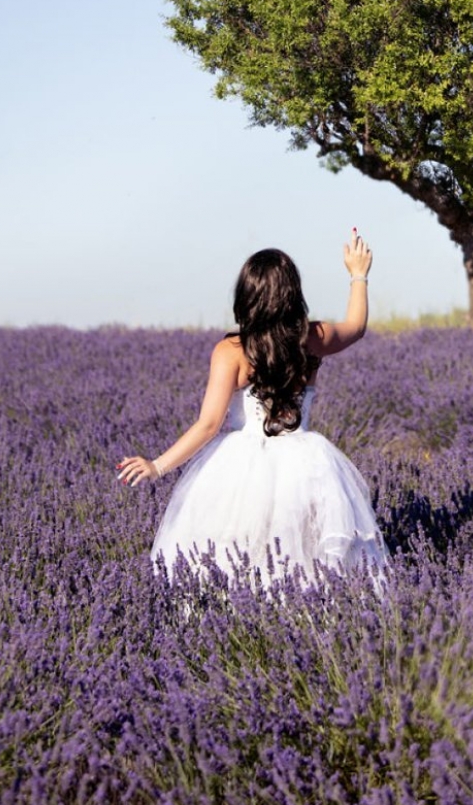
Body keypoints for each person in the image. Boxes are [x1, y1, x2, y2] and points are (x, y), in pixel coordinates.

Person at [117, 230, 388, 590]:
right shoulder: (311, 339)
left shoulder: (231, 351)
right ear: (293, 294)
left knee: (234, 558)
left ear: (246, 295)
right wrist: (358, 274)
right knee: (305, 558)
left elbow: (208, 425)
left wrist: (158, 466)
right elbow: (356, 328)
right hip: (307, 465)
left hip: (239, 468)